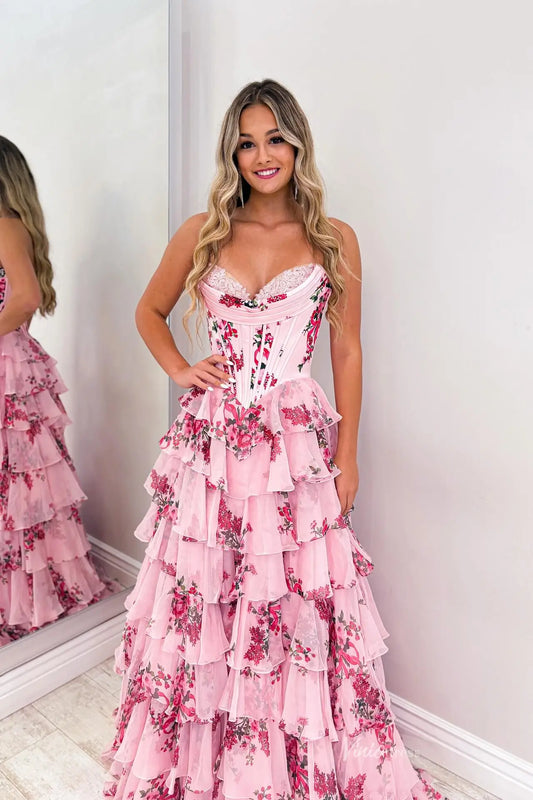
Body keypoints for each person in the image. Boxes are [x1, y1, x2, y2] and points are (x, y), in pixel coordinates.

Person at [104, 80, 446, 800]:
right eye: (247, 143)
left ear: (297, 144)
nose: (263, 155)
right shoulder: (204, 230)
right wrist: (180, 369)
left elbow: (346, 350)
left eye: (275, 139)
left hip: (293, 455)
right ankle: (209, 762)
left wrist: (347, 456)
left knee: (294, 601)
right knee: (207, 595)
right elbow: (148, 310)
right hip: (213, 449)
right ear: (232, 154)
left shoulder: (333, 238)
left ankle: (284, 765)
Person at [0, 136, 107, 644]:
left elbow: (26, 297)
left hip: (6, 364)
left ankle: (30, 596)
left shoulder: (5, 224)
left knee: (19, 484)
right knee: (19, 484)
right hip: (11, 360)